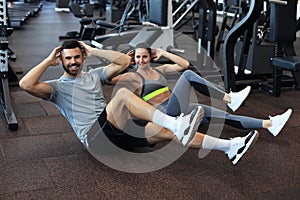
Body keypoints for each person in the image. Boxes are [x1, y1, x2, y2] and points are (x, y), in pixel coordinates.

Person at [19, 39, 258, 165]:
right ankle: (177, 123)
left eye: (76, 57)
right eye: (67, 59)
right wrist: (48, 59)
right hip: (94, 138)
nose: (72, 61)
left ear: (82, 58)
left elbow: (124, 60)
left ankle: (230, 147)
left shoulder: (94, 75)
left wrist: (93, 50)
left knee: (164, 131)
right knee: (122, 95)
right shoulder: (56, 88)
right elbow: (25, 85)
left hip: (116, 132)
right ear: (61, 61)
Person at [110, 45, 292, 137]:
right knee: (189, 76)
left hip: (178, 107)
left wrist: (164, 53)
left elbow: (183, 64)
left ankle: (269, 125)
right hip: (165, 112)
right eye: (138, 57)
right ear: (135, 60)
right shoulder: (132, 77)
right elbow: (108, 78)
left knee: (223, 116)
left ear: (150, 57)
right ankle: (230, 98)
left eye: (145, 56)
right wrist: (124, 61)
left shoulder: (160, 70)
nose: (141, 60)